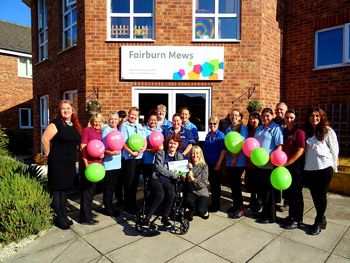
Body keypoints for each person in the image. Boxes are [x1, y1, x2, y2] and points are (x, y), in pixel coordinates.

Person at [41, 100, 82, 230]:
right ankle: (60, 218)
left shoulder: (73, 124)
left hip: (69, 161)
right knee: (58, 190)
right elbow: (44, 139)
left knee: (64, 190)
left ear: (72, 110)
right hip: (58, 161)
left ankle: (64, 215)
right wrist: (48, 153)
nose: (66, 111)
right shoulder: (56, 124)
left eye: (68, 108)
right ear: (59, 111)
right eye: (63, 108)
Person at [303, 107, 339, 235]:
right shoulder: (306, 132)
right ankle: (322, 218)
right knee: (314, 195)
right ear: (308, 118)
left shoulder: (327, 131)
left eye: (317, 116)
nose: (314, 118)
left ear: (321, 117)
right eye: (312, 116)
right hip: (309, 169)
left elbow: (335, 150)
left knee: (321, 195)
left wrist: (334, 166)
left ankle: (318, 221)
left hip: (324, 168)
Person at [141, 134, 184, 229]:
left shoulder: (179, 156)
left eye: (175, 144)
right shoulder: (161, 153)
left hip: (167, 181)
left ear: (178, 145)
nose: (172, 145)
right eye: (171, 143)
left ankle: (165, 217)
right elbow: (158, 168)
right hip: (156, 178)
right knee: (160, 194)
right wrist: (172, 174)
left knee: (171, 193)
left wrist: (182, 174)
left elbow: (179, 173)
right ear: (167, 144)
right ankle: (147, 218)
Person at [254, 108, 284, 224]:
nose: (265, 118)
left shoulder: (276, 128)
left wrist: (271, 159)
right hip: (259, 164)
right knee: (261, 191)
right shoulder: (260, 128)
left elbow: (279, 146)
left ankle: (270, 216)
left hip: (269, 164)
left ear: (272, 116)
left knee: (268, 192)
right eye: (263, 116)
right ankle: (264, 212)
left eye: (268, 116)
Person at [217, 109, 248, 219]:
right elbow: (228, 144)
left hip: (238, 162)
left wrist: (234, 157)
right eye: (232, 115)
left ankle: (240, 209)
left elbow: (242, 144)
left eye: (236, 115)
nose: (234, 117)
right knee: (233, 186)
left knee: (236, 185)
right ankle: (235, 206)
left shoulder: (242, 128)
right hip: (231, 161)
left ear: (240, 117)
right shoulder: (229, 129)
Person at [280, 109, 305, 229]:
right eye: (287, 117)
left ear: (295, 119)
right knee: (289, 194)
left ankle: (297, 219)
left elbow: (301, 149)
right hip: (285, 166)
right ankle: (291, 216)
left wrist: (290, 162)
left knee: (296, 194)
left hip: (295, 166)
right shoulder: (284, 131)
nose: (289, 120)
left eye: (291, 117)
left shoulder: (299, 132)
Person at [120, 107, 147, 216]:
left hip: (138, 158)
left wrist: (143, 149)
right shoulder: (124, 126)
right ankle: (127, 207)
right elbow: (123, 142)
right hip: (130, 159)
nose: (133, 117)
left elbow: (144, 140)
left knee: (135, 183)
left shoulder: (140, 126)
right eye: (132, 114)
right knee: (129, 183)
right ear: (128, 114)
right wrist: (132, 153)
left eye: (135, 115)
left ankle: (133, 205)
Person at [80, 113, 105, 225]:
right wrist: (86, 164)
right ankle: (85, 218)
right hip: (89, 166)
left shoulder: (100, 133)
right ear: (91, 121)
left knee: (92, 192)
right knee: (86, 192)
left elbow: (99, 148)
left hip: (97, 165)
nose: (97, 123)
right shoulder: (87, 130)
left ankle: (88, 212)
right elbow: (83, 148)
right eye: (95, 121)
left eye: (100, 122)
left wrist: (102, 155)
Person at [101, 112, 122, 217]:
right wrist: (112, 153)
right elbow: (104, 148)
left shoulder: (118, 131)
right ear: (108, 120)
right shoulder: (106, 131)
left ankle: (110, 205)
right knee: (108, 188)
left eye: (115, 119)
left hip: (117, 164)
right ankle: (107, 208)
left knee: (113, 187)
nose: (113, 121)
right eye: (111, 119)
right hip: (109, 164)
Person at [182, 146, 209, 221]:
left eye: (197, 153)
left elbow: (203, 184)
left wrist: (193, 178)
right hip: (191, 192)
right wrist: (183, 178)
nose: (195, 155)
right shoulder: (187, 165)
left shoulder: (204, 166)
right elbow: (185, 182)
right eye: (193, 153)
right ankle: (191, 210)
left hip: (201, 193)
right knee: (187, 200)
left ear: (200, 155)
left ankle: (204, 211)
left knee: (201, 212)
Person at [204, 116, 225, 212]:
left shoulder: (220, 135)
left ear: (217, 124)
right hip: (207, 163)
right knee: (211, 184)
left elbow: (223, 150)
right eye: (210, 124)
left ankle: (216, 205)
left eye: (214, 123)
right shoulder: (208, 135)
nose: (212, 125)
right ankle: (212, 202)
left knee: (215, 185)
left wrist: (219, 163)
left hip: (215, 163)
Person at [245, 112, 263, 212]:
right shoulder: (248, 130)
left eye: (254, 119)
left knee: (258, 184)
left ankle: (259, 202)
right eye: (251, 119)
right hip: (249, 161)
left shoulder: (260, 130)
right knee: (251, 184)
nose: (252, 121)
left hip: (258, 161)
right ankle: (252, 201)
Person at [274, 102, 288, 211]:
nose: (279, 112)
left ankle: (287, 201)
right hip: (275, 155)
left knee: (285, 178)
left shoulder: (287, 122)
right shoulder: (273, 122)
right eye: (277, 109)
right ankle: (277, 201)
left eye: (281, 110)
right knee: (276, 178)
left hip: (286, 155)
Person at [142, 109, 164, 182]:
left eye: (155, 120)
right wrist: (150, 150)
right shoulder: (143, 130)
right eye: (151, 120)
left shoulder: (160, 130)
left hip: (158, 160)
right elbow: (141, 146)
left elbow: (162, 143)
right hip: (147, 160)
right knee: (147, 180)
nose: (153, 122)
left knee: (156, 181)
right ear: (148, 119)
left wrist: (158, 149)